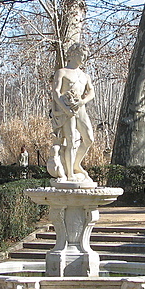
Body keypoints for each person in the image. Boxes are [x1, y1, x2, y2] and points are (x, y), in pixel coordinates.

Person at [49, 43, 95, 184]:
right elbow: (56, 92)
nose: (85, 58)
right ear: (74, 54)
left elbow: (91, 92)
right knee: (70, 141)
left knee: (89, 139)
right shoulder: (62, 72)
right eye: (83, 55)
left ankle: (76, 164)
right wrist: (64, 109)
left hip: (80, 108)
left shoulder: (85, 75)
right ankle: (70, 174)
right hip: (66, 109)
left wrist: (82, 102)